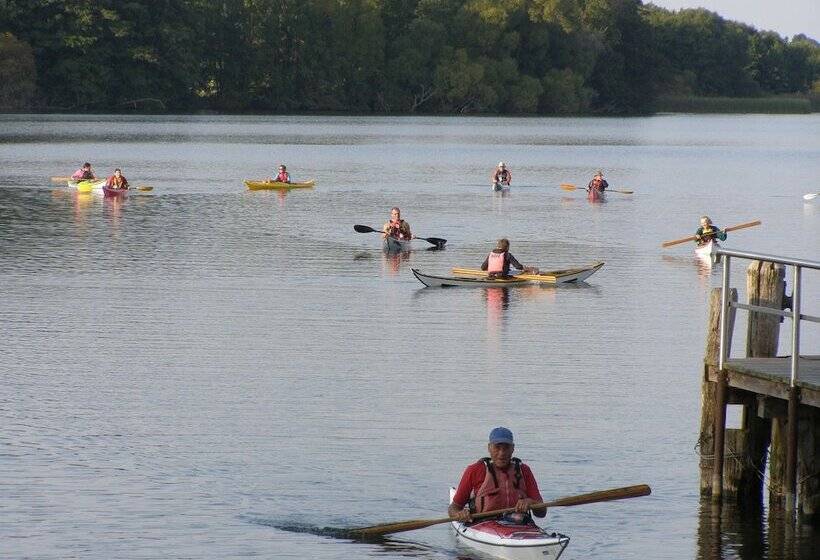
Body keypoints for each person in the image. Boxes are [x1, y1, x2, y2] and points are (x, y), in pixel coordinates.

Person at [448, 427, 547, 523]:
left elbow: (542, 513)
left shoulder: (524, 470)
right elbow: (453, 508)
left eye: (506, 448)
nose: (501, 453)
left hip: (518, 524)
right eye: (497, 447)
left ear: (513, 448)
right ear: (489, 448)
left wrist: (530, 502)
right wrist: (459, 514)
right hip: (483, 525)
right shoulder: (474, 470)